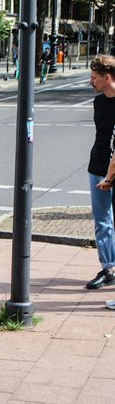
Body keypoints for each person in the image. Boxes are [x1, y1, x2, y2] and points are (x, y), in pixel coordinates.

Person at [85, 55, 115, 291]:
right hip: (97, 169)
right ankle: (108, 269)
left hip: (112, 172)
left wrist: (110, 177)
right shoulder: (99, 101)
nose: (90, 82)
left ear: (107, 77)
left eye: (94, 78)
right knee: (102, 222)